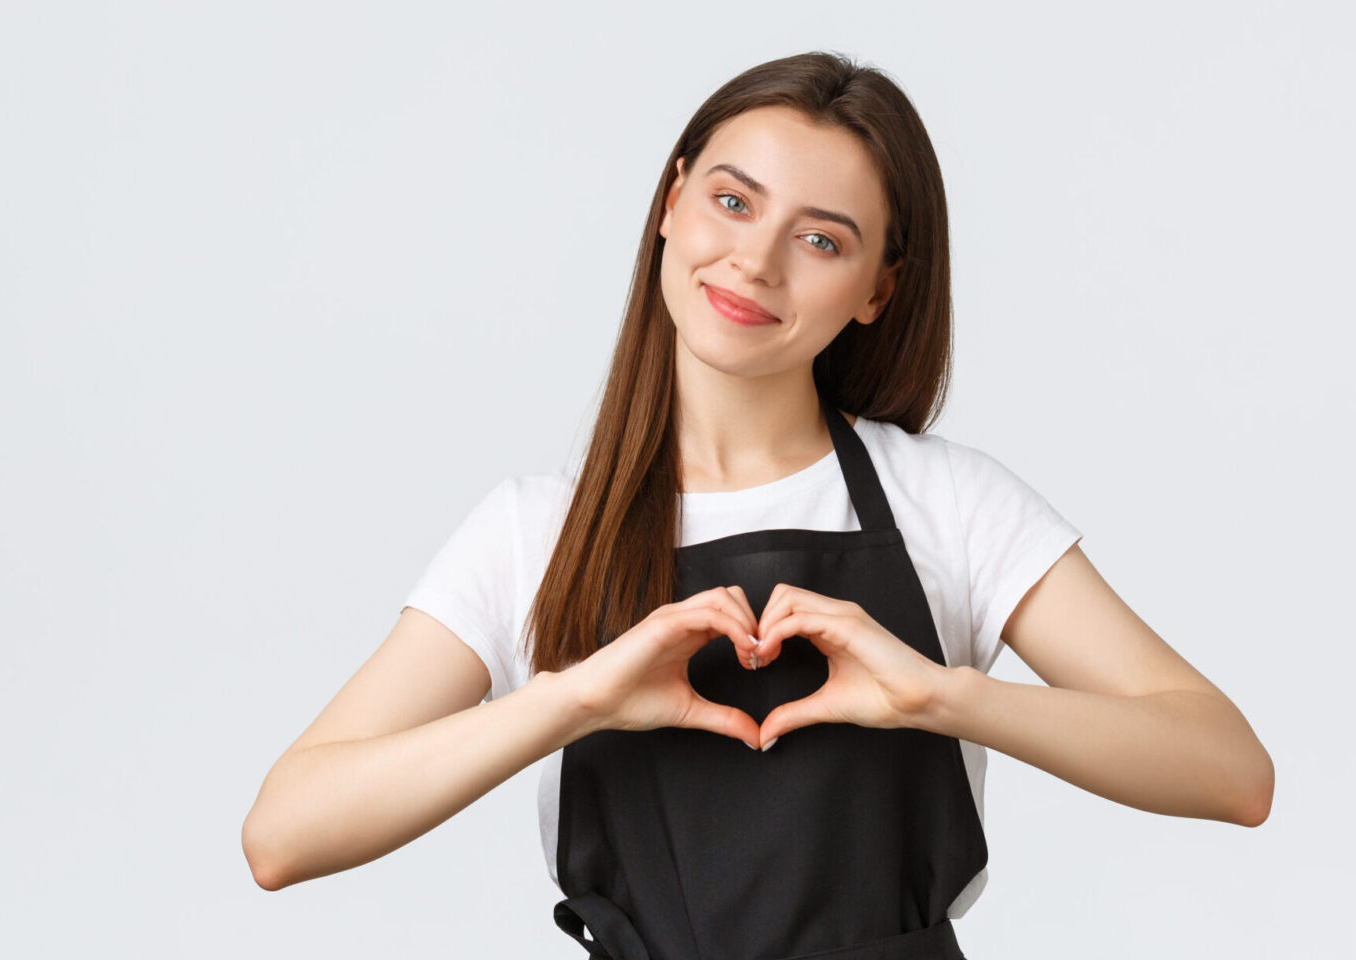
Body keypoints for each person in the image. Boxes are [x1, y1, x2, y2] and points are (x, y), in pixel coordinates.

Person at [242, 50, 1273, 959]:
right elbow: (284, 834)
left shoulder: (946, 503)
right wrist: (573, 701)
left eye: (821, 240)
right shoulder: (535, 534)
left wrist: (941, 698)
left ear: (878, 288)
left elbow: (1230, 770)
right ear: (671, 200)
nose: (755, 261)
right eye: (733, 203)